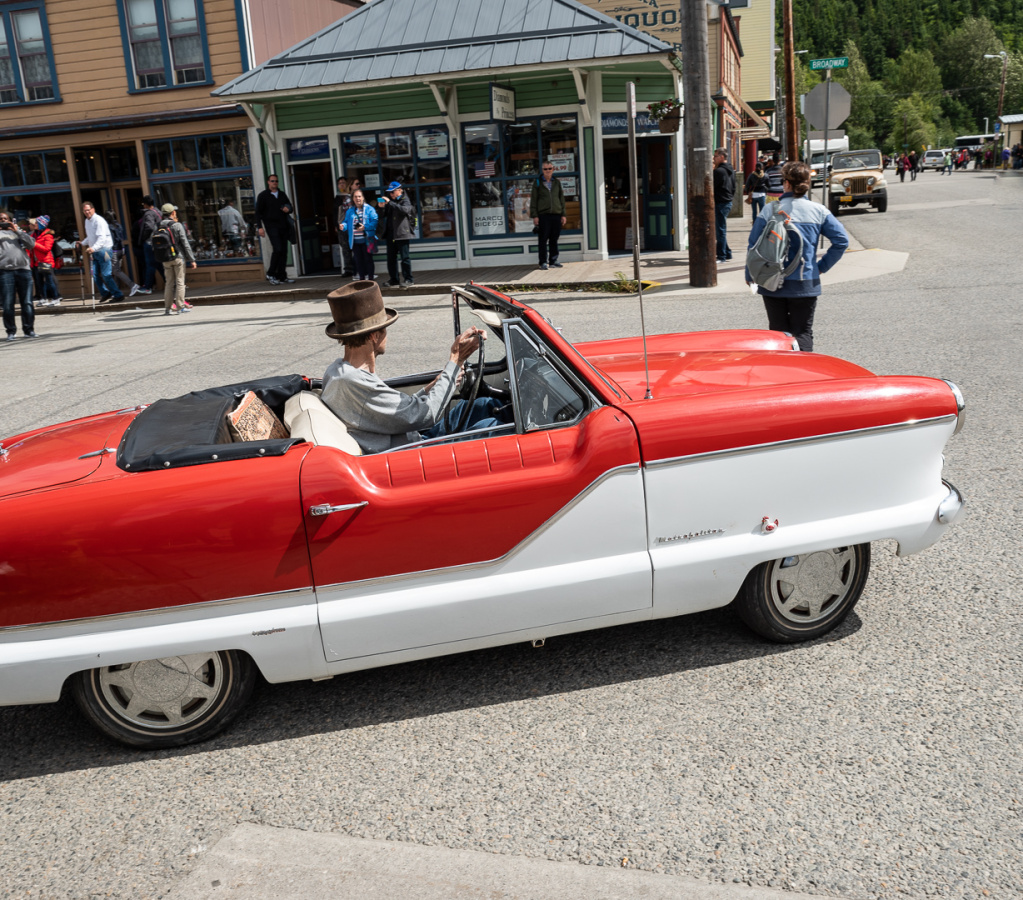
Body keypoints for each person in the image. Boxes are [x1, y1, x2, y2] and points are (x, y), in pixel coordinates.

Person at [320, 280, 508, 454]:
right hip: (414, 454)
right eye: (385, 329)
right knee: (495, 427)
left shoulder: (338, 371)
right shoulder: (352, 382)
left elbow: (399, 411)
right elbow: (426, 415)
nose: (387, 336)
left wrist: (436, 383)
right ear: (373, 336)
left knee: (482, 406)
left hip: (414, 439)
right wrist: (456, 359)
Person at [745, 161, 848, 353]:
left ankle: (784, 375)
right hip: (805, 281)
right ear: (807, 183)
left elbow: (753, 245)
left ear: (786, 184)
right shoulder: (819, 211)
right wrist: (821, 267)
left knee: (778, 334)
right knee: (803, 332)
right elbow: (841, 241)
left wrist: (750, 275)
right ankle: (804, 374)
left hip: (772, 281)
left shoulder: (770, 210)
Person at [0, 209, 37, 340]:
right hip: (5, 272)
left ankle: (29, 330)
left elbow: (31, 244)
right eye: (1, 220)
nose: (4, 221)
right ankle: (11, 331)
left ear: (11, 220)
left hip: (23, 270)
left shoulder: (18, 232)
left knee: (27, 302)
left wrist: (17, 230)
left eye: (6, 219)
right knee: (8, 304)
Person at [78, 202, 124, 303]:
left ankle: (118, 294)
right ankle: (105, 293)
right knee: (94, 274)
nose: (87, 212)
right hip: (95, 252)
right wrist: (82, 243)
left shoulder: (99, 221)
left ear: (93, 209)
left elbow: (101, 238)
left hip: (105, 251)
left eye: (88, 210)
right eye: (85, 210)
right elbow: (91, 237)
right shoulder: (87, 221)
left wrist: (93, 248)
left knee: (106, 274)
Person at [157, 203, 197, 316]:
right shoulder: (177, 225)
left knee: (169, 283)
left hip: (165, 258)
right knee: (180, 282)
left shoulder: (159, 225)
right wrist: (192, 259)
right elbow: (185, 243)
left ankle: (168, 308)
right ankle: (180, 306)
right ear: (173, 213)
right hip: (178, 257)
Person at [254, 174, 294, 285]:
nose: (274, 183)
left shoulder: (282, 194)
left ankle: (282, 275)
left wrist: (288, 209)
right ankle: (271, 273)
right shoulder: (263, 196)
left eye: (276, 181)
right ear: (268, 182)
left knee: (284, 251)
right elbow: (258, 213)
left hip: (283, 226)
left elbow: (290, 207)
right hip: (271, 226)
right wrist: (260, 227)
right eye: (272, 181)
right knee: (278, 249)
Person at [378, 181, 416, 288]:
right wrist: (381, 207)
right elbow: (382, 215)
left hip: (402, 234)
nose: (391, 195)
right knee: (391, 258)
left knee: (405, 258)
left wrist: (390, 202)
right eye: (389, 193)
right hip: (391, 234)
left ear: (400, 190)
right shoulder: (391, 202)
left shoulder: (405, 200)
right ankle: (394, 279)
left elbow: (404, 210)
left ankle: (409, 279)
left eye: (393, 192)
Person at [529, 161, 566, 270]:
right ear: (542, 170)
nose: (548, 171)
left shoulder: (557, 182)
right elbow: (534, 200)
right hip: (543, 215)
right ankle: (543, 262)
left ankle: (553, 260)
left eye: (549, 168)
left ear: (553, 169)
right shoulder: (537, 183)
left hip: (556, 215)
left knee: (554, 239)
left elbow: (561, 199)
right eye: (545, 169)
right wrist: (535, 216)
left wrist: (563, 214)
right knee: (543, 239)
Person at [339, 189, 378, 281]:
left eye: (359, 196)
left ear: (363, 197)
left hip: (367, 240)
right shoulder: (350, 211)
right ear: (353, 198)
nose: (358, 198)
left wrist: (365, 227)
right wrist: (343, 226)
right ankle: (361, 279)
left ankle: (371, 279)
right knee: (358, 261)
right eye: (355, 197)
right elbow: (346, 222)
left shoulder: (369, 209)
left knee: (368, 260)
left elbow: (375, 222)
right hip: (355, 241)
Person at [105, 210, 143, 298]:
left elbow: (110, 241)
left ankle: (132, 285)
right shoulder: (118, 225)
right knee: (116, 270)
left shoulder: (109, 227)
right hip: (120, 250)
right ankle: (116, 291)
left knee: (115, 271)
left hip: (113, 250)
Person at [29, 214, 62, 307]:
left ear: (41, 224)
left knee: (49, 281)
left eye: (36, 222)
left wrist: (34, 244)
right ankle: (43, 298)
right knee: (39, 282)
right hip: (36, 261)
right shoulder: (34, 234)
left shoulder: (48, 235)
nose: (34, 224)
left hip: (46, 261)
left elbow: (47, 249)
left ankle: (56, 298)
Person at [712, 148, 736, 263]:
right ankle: (728, 253)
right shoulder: (731, 170)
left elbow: (711, 187)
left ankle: (721, 256)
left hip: (721, 202)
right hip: (727, 201)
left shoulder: (718, 172)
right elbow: (734, 187)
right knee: (721, 229)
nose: (713, 158)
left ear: (722, 157)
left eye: (715, 156)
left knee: (720, 230)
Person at [332, 177, 355, 278]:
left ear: (347, 185)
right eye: (339, 183)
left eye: (343, 183)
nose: (341, 185)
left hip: (352, 226)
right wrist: (336, 225)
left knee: (355, 247)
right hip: (342, 226)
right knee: (345, 248)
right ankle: (348, 269)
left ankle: (357, 268)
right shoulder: (337, 198)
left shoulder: (351, 197)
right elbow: (334, 213)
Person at [137, 195, 161, 293]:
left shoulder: (148, 214)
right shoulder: (158, 212)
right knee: (159, 264)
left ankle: (147, 287)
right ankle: (172, 283)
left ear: (146, 204)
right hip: (158, 242)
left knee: (150, 264)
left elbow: (149, 227)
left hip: (150, 242)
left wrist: (144, 238)